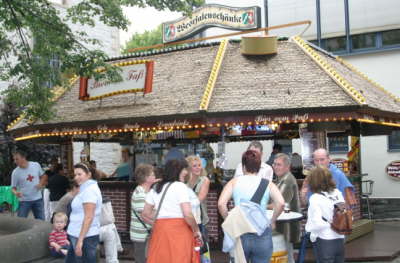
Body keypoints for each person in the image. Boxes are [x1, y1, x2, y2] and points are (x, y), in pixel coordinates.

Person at [218, 150, 285, 263]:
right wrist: (273, 220)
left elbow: (221, 204)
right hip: (261, 232)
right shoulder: (267, 183)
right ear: (259, 167)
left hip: (240, 233)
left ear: (243, 166)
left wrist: (229, 220)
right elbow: (281, 203)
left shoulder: (234, 182)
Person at [142, 159, 202, 263]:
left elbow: (145, 213)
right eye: (184, 169)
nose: (186, 172)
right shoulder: (180, 187)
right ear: (177, 171)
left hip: (160, 231)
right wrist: (196, 230)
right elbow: (187, 214)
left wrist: (162, 218)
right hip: (180, 231)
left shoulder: (156, 187)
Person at [305, 166, 345, 263]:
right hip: (340, 238)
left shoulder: (315, 198)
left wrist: (309, 230)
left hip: (324, 240)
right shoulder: (337, 193)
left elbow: (316, 224)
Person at [66, 163, 102, 263]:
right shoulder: (84, 189)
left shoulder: (89, 191)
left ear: (89, 175)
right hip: (77, 233)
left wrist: (80, 240)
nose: (76, 177)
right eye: (75, 175)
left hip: (85, 237)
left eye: (79, 174)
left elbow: (89, 217)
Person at [272, 153, 301, 263]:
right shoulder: (280, 179)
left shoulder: (287, 180)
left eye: (279, 165)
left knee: (287, 257)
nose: (275, 167)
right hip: (282, 225)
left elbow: (279, 204)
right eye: (274, 164)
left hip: (286, 227)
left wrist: (261, 205)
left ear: (287, 167)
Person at [130, 164, 158, 263]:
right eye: (152, 174)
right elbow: (146, 215)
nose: (155, 176)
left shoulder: (147, 191)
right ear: (146, 178)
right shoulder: (140, 194)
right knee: (141, 260)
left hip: (145, 233)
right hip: (141, 236)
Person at [10, 150, 46, 220]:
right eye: (14, 159)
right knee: (21, 222)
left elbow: (44, 176)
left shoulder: (36, 165)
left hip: (38, 199)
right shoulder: (15, 172)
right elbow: (12, 188)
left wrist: (41, 183)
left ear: (23, 158)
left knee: (41, 221)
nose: (15, 161)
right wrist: (16, 192)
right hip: (24, 201)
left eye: (17, 159)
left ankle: (41, 231)